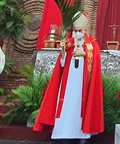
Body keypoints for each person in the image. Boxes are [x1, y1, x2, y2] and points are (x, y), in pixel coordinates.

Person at [34, 12, 104, 141]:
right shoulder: (68, 43)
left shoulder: (92, 43)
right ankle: (62, 132)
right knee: (65, 106)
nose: (78, 33)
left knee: (80, 107)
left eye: (80, 30)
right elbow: (61, 64)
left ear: (85, 30)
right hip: (68, 84)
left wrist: (84, 54)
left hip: (83, 85)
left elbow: (96, 59)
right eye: (76, 30)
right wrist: (63, 52)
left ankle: (81, 134)